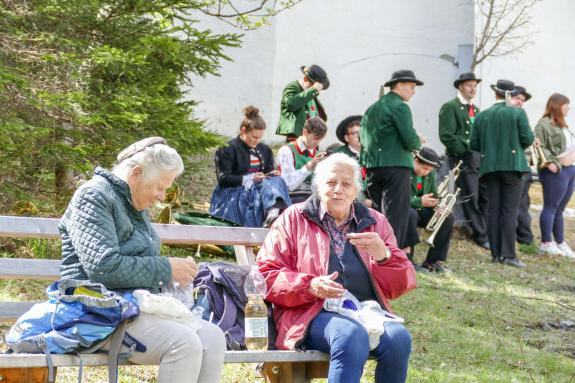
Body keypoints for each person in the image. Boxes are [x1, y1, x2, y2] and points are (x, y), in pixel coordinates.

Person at [59, 137, 226, 383]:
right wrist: (166, 268)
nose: (161, 196)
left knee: (213, 338)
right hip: (94, 312)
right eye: (159, 187)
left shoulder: (134, 201)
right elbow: (103, 267)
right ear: (136, 173)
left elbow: (142, 264)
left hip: (133, 308)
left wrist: (174, 275)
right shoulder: (93, 196)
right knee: (184, 343)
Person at [257, 153, 416, 383]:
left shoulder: (375, 222)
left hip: (364, 312)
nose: (338, 190)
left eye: (346, 184)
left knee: (399, 338)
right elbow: (266, 274)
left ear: (356, 190)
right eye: (331, 182)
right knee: (350, 335)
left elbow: (400, 286)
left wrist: (384, 256)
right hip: (309, 313)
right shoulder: (294, 218)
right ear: (318, 186)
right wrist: (309, 285)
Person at [470, 80, 534, 267]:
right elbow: (527, 138)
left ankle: (496, 253)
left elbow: (473, 144)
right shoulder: (517, 112)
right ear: (508, 94)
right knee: (509, 211)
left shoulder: (482, 115)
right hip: (513, 167)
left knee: (493, 209)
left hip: (489, 167)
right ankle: (508, 255)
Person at [360, 69, 423, 249]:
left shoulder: (372, 108)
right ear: (399, 85)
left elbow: (364, 139)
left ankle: (374, 255)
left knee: (379, 214)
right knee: (396, 216)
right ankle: (390, 258)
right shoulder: (401, 106)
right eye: (411, 87)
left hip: (373, 167)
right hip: (396, 166)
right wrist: (419, 140)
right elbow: (410, 140)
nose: (413, 91)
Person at [210, 106, 291, 227]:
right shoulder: (227, 148)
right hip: (233, 191)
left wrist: (272, 174)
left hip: (260, 189)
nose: (257, 141)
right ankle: (270, 214)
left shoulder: (265, 150)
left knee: (277, 179)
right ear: (243, 131)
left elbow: (268, 173)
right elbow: (224, 178)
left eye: (260, 138)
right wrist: (251, 178)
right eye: (254, 137)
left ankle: (274, 213)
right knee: (258, 191)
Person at [438, 72, 489, 249]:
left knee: (483, 196)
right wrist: (467, 152)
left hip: (478, 160)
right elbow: (447, 136)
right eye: (469, 85)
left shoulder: (476, 110)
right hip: (462, 160)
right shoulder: (450, 107)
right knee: (471, 197)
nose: (473, 89)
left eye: (475, 86)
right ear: (460, 87)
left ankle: (484, 230)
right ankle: (480, 235)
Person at [534, 93, 575, 257]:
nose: (569, 107)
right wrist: (552, 164)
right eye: (566, 104)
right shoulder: (543, 124)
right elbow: (538, 147)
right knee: (551, 207)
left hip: (570, 170)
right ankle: (546, 242)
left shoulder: (563, 125)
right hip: (556, 171)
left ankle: (559, 242)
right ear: (558, 105)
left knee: (560, 209)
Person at [405, 148, 455, 272]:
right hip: (407, 209)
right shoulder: (405, 171)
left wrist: (438, 205)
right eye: (424, 169)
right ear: (415, 161)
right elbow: (400, 198)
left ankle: (433, 261)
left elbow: (434, 194)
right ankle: (407, 260)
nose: (426, 173)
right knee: (411, 215)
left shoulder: (429, 174)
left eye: (429, 170)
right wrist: (419, 201)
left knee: (447, 217)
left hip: (423, 208)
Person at [276, 116, 328, 203]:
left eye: (320, 139)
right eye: (315, 138)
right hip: (289, 201)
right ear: (305, 132)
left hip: (311, 202)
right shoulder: (287, 150)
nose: (317, 143)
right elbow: (287, 185)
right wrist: (308, 167)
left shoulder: (317, 155)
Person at [276, 65, 329, 142]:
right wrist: (313, 90)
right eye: (314, 86)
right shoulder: (293, 87)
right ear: (305, 79)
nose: (318, 91)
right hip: (296, 138)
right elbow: (291, 104)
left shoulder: (310, 93)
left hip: (312, 139)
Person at [511, 86, 535, 249]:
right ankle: (522, 238)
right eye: (518, 98)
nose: (520, 102)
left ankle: (525, 238)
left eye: (522, 100)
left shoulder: (521, 115)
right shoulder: (507, 116)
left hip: (524, 166)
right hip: (513, 167)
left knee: (524, 204)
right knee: (515, 205)